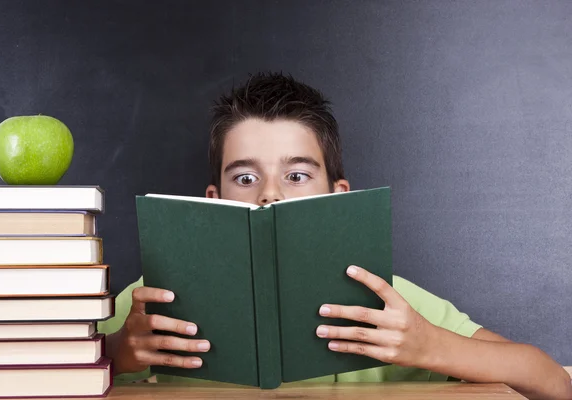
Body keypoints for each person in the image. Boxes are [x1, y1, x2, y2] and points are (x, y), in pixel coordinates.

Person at [98, 72, 572, 400]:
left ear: (337, 193)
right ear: (213, 198)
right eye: (244, 179)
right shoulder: (150, 304)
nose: (270, 196)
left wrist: (429, 345)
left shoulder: (387, 300)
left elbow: (552, 382)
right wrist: (120, 352)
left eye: (298, 175)